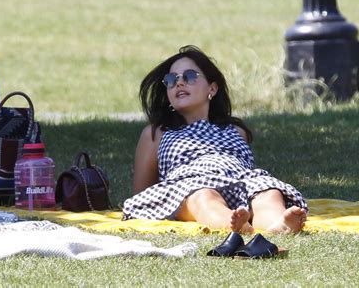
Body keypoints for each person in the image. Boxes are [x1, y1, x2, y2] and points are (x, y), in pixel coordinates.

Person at [122, 45, 307, 234]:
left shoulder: (235, 130)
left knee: (268, 194)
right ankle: (233, 224)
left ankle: (279, 225)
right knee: (204, 197)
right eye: (171, 79)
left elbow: (245, 169)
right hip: (189, 186)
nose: (179, 83)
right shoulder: (157, 133)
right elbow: (142, 191)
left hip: (240, 182)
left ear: (212, 87)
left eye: (189, 76)